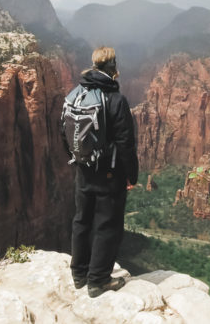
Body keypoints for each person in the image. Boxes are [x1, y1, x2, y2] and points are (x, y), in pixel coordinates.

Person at [68, 46, 139, 298]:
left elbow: (65, 132)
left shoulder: (76, 93)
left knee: (81, 220)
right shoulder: (116, 100)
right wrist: (132, 176)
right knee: (107, 225)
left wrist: (76, 160)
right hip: (108, 175)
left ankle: (79, 274)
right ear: (113, 67)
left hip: (83, 171)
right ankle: (98, 281)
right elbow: (126, 143)